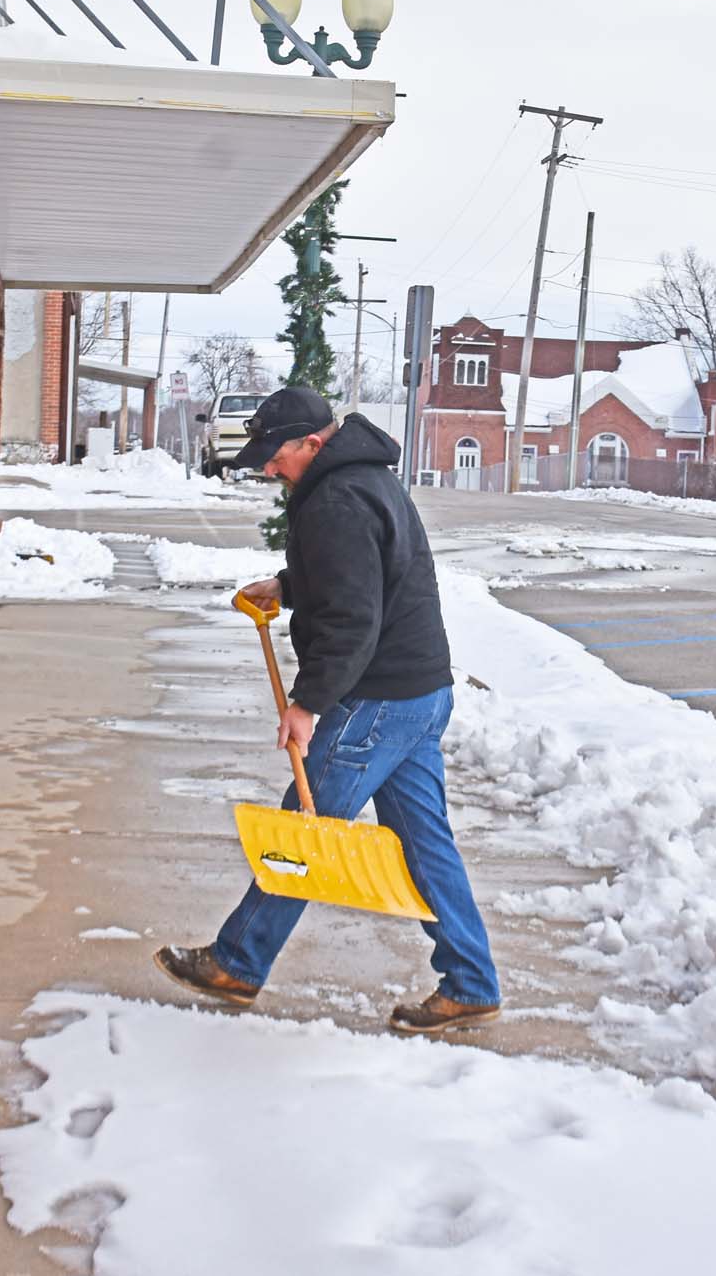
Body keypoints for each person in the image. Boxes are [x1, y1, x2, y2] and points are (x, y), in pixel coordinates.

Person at [153, 387, 501, 1034]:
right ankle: (472, 981)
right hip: (420, 694)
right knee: (425, 845)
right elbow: (364, 574)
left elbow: (353, 615)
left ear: (312, 443)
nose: (267, 468)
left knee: (303, 834)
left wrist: (308, 703)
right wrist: (286, 585)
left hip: (377, 701)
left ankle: (237, 961)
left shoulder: (336, 501)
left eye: (275, 455)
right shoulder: (364, 479)